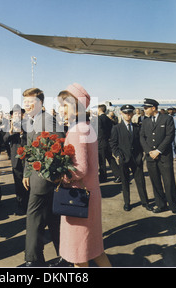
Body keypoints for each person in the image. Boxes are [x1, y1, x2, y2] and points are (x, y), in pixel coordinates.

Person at [57, 83, 111, 267]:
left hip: (78, 199)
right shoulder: (88, 126)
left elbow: (79, 169)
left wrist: (60, 177)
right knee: (95, 250)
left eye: (65, 105)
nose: (61, 109)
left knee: (79, 256)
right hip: (90, 195)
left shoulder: (77, 129)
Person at [22, 87, 65, 267]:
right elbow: (28, 150)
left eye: (30, 102)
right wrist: (27, 173)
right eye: (25, 102)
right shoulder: (32, 120)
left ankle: (33, 260)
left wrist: (53, 176)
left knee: (34, 219)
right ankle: (66, 256)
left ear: (40, 103)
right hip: (37, 178)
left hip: (45, 181)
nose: (26, 105)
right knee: (53, 220)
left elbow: (60, 147)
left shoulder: (48, 120)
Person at [140, 98, 176, 219]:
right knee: (155, 182)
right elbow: (142, 137)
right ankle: (161, 205)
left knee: (169, 182)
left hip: (164, 156)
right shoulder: (145, 121)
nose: (144, 110)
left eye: (146, 108)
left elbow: (169, 136)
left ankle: (174, 207)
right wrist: (149, 151)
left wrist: (158, 150)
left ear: (153, 108)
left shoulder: (167, 119)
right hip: (151, 157)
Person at [110, 104, 151, 212]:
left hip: (136, 159)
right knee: (125, 181)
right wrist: (118, 155)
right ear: (121, 114)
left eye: (130, 113)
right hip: (124, 159)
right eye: (125, 113)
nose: (128, 115)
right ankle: (127, 202)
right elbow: (113, 144)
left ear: (133, 114)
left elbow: (142, 142)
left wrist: (142, 155)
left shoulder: (137, 127)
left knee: (141, 181)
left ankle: (145, 202)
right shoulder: (116, 128)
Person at [3, 104, 29, 214]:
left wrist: (23, 133)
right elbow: (3, 140)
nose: (17, 115)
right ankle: (21, 206)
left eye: (19, 113)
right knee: (18, 184)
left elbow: (30, 140)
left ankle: (29, 205)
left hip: (26, 159)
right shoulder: (9, 127)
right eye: (15, 114)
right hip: (16, 159)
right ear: (12, 116)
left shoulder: (28, 125)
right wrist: (11, 131)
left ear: (23, 114)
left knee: (28, 183)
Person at [97, 104, 121, 183]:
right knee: (110, 159)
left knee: (102, 161)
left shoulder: (99, 119)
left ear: (99, 110)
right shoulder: (108, 119)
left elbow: (98, 131)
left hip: (101, 142)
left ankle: (103, 177)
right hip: (107, 141)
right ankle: (118, 174)